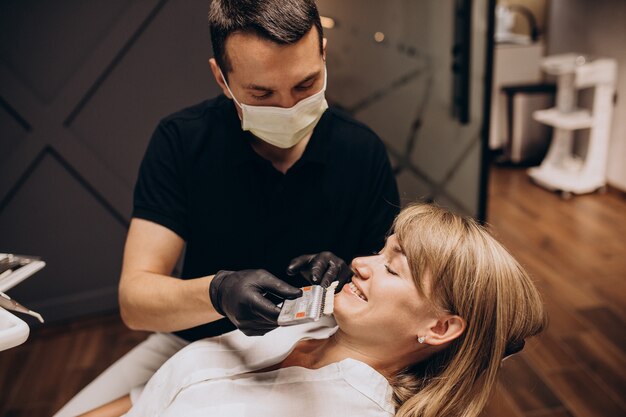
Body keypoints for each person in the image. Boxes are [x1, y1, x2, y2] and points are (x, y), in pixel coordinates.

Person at [53, 0, 399, 415]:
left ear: (323, 55)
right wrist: (218, 291)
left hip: (316, 339)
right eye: (262, 93)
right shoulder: (182, 142)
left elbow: (390, 281)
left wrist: (345, 275)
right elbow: (135, 300)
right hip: (193, 336)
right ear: (222, 76)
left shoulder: (362, 151)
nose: (289, 107)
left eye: (305, 85)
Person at [79, 203, 547, 417]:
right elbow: (150, 396)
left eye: (394, 268)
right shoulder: (300, 326)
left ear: (440, 327)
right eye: (381, 250)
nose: (360, 263)